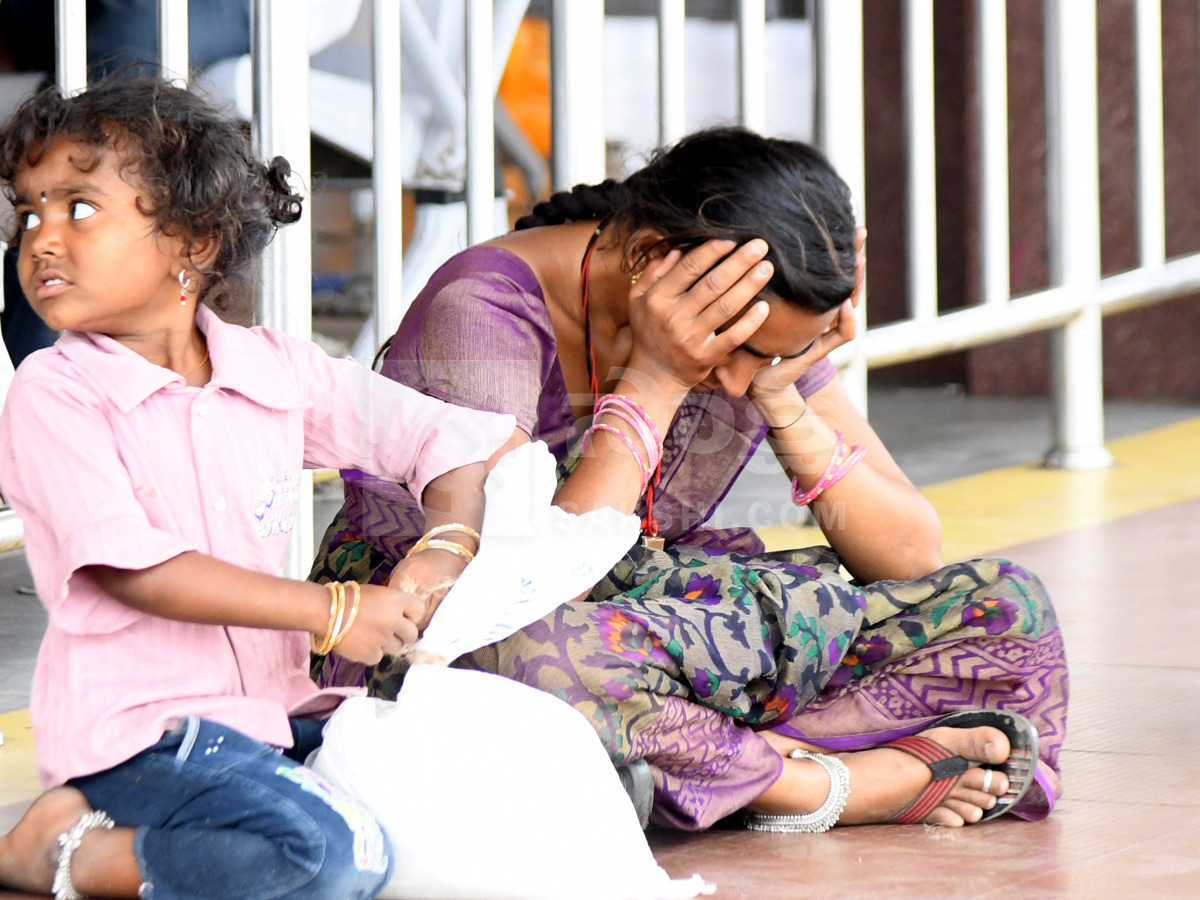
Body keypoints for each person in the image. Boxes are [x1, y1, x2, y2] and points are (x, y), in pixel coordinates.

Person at [310, 127, 1068, 832]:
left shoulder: (753, 334)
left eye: (768, 359)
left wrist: (783, 395)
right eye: (733, 353)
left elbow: (910, 556)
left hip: (657, 622)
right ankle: (825, 784)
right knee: (533, 667)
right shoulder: (484, 308)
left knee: (1006, 608)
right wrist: (655, 383)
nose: (739, 383)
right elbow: (511, 583)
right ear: (649, 258)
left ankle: (680, 766)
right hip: (463, 625)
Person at [0, 76, 513, 899]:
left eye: (80, 209)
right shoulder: (55, 395)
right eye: (31, 213)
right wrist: (333, 611)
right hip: (144, 735)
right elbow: (139, 568)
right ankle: (59, 851)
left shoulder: (270, 369)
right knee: (333, 859)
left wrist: (441, 552)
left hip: (279, 719)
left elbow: (441, 442)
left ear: (193, 243)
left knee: (483, 799)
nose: (43, 240)